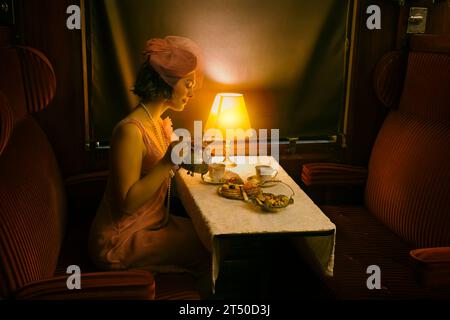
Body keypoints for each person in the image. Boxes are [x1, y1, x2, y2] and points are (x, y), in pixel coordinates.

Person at [89, 36, 210, 291]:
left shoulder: (160, 122)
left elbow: (166, 168)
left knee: (210, 234)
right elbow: (128, 202)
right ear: (167, 83)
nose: (191, 91)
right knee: (205, 247)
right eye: (188, 84)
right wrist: (168, 161)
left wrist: (191, 156)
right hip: (121, 238)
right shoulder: (130, 131)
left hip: (155, 220)